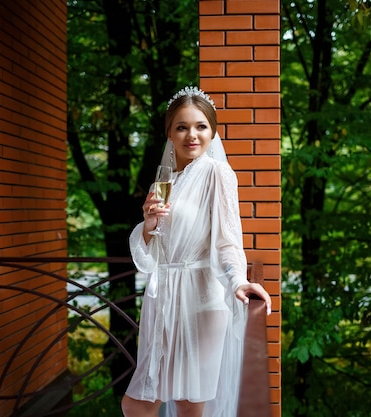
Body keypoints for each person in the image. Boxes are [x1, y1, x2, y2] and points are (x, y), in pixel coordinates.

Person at [121, 86, 272, 417]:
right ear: (170, 133)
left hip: (202, 300)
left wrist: (237, 280)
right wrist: (147, 225)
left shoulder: (217, 173)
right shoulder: (164, 183)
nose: (192, 134)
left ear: (212, 131)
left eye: (201, 126)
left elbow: (228, 241)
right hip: (163, 301)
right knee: (138, 401)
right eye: (182, 127)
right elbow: (150, 259)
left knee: (190, 404)